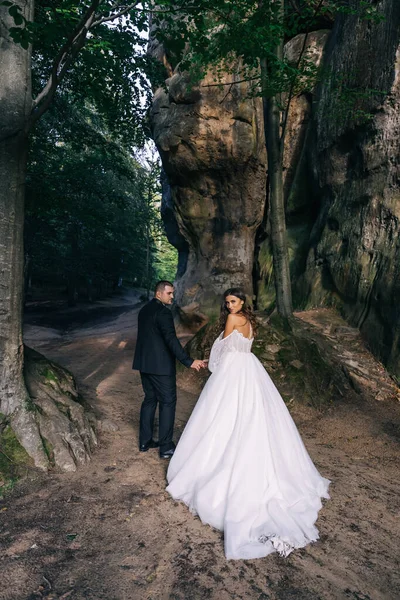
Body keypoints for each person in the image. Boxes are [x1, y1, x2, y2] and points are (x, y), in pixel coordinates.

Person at [166, 287, 331, 560]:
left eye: (233, 301)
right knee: (253, 412)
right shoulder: (251, 320)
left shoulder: (233, 319)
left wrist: (212, 364)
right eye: (227, 302)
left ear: (242, 301)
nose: (229, 306)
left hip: (233, 370)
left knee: (223, 412)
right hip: (251, 369)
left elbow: (222, 347)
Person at [133, 280, 205, 459]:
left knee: (149, 400)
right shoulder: (163, 313)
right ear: (159, 294)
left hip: (144, 364)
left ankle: (145, 441)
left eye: (172, 293)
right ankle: (165, 447)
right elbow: (171, 340)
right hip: (161, 367)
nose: (172, 296)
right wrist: (188, 361)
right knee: (167, 403)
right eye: (169, 293)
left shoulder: (144, 310)